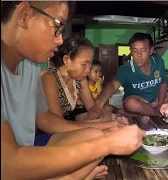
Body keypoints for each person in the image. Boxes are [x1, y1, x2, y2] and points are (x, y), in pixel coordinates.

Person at [1, 2, 145, 179]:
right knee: (100, 142)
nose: (60, 40)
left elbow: (44, 118)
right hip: (13, 161)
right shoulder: (49, 75)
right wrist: (107, 144)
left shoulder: (30, 65)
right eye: (56, 26)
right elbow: (7, 164)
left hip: (30, 146)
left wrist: (108, 128)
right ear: (23, 15)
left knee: (96, 135)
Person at [86, 32, 168, 122]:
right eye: (135, 50)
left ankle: (150, 112)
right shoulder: (126, 69)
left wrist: (160, 104)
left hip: (155, 100)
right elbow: (113, 85)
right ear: (130, 50)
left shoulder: (158, 62)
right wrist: (98, 104)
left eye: (143, 50)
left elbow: (163, 83)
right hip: (138, 104)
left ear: (151, 50)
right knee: (130, 104)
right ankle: (157, 113)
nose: (139, 55)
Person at [41, 36, 123, 125]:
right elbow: (56, 123)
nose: (88, 70)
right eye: (84, 64)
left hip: (65, 127)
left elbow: (92, 109)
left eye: (90, 64)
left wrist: (116, 118)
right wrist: (104, 125)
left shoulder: (79, 79)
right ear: (66, 60)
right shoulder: (49, 77)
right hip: (45, 132)